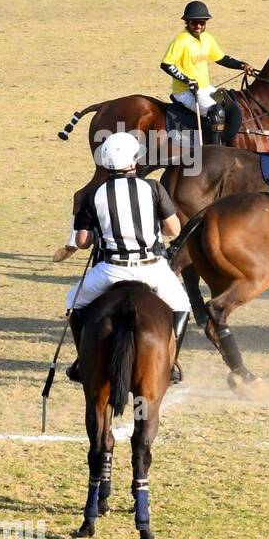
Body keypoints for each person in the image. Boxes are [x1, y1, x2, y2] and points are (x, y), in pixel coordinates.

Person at [65, 133, 192, 384]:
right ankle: (171, 362)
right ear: (133, 162)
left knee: (74, 302)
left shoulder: (94, 194)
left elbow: (82, 242)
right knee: (182, 305)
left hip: (111, 270)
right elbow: (173, 230)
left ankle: (83, 360)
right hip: (152, 268)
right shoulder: (153, 187)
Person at [159, 0, 254, 145]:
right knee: (216, 112)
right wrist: (187, 80)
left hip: (205, 89)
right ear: (187, 22)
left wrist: (241, 65)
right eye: (194, 23)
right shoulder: (181, 40)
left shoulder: (207, 39)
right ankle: (213, 151)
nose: (198, 26)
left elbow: (221, 58)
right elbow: (166, 64)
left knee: (233, 108)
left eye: (202, 23)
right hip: (185, 92)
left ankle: (224, 142)